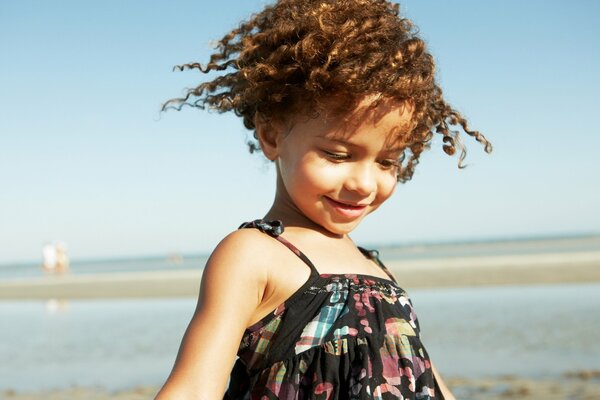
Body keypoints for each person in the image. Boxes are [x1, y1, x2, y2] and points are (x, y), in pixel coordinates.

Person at [156, 0, 492, 399]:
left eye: (387, 161)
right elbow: (194, 388)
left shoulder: (375, 269)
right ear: (271, 135)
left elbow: (424, 379)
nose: (364, 184)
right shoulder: (253, 255)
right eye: (337, 154)